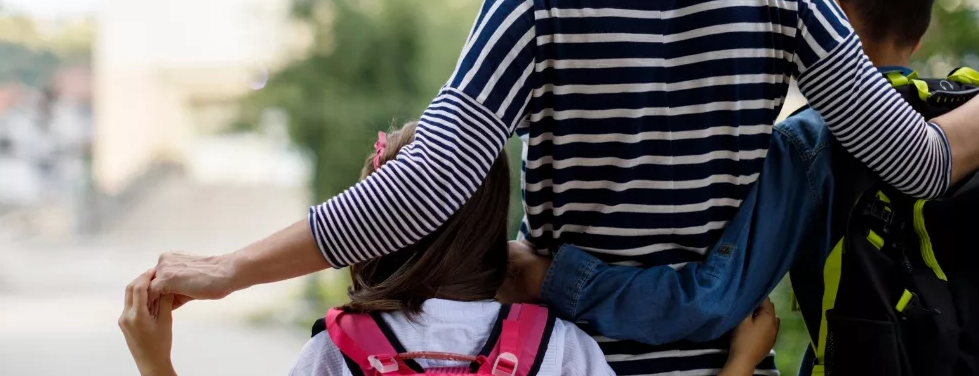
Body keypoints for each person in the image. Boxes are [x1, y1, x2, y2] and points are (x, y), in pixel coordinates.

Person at [147, 0, 979, 373]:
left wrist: (231, 269)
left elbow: (427, 185)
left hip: (564, 361)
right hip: (728, 358)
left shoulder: (536, 1)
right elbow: (919, 164)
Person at [118, 124, 782, 376]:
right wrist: (740, 365)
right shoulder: (562, 351)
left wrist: (157, 364)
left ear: (373, 226)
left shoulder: (336, 355)